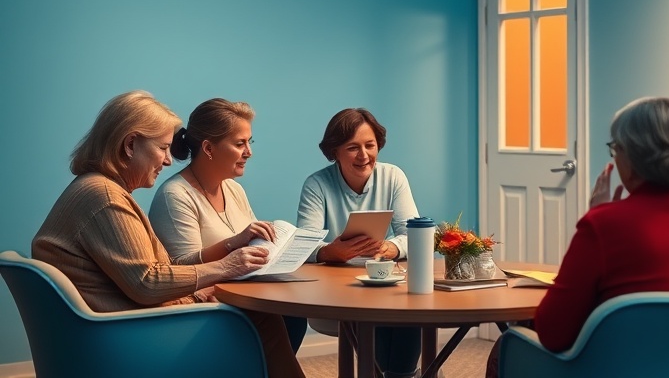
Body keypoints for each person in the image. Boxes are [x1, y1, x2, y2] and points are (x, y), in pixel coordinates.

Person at [31, 91, 305, 378]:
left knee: (270, 315)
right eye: (163, 148)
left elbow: (150, 274)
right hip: (127, 336)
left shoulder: (97, 189)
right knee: (262, 316)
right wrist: (226, 267)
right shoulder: (105, 198)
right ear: (130, 145)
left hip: (113, 329)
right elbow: (148, 283)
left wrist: (211, 277)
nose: (168, 160)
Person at [485, 97, 669, 377]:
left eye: (616, 149)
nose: (614, 157)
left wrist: (598, 216)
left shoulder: (603, 226)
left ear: (634, 159)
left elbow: (553, 333)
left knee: (507, 346)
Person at [149, 98, 307, 352]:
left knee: (293, 310)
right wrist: (233, 243)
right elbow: (180, 269)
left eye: (249, 142)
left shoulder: (233, 189)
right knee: (283, 317)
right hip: (205, 308)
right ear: (208, 148)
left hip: (243, 295)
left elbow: (254, 244)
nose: (249, 152)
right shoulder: (174, 195)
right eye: (240, 144)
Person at [297, 108, 422, 378]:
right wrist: (330, 252)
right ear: (335, 151)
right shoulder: (317, 184)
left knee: (408, 305)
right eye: (353, 148)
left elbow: (413, 235)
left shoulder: (393, 176)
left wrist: (391, 248)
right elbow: (305, 244)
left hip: (383, 283)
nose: (364, 155)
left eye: (370, 145)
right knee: (382, 313)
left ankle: (401, 374)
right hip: (335, 292)